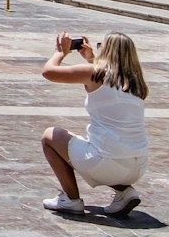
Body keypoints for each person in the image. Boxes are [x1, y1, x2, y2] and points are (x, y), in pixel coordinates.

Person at [40, 31, 149, 216]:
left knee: (50, 136)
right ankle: (125, 192)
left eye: (101, 46)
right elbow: (106, 85)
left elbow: (49, 72)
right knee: (99, 149)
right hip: (137, 165)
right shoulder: (135, 82)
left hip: (108, 162)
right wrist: (91, 58)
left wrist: (61, 52)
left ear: (107, 51)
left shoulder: (95, 73)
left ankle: (70, 199)